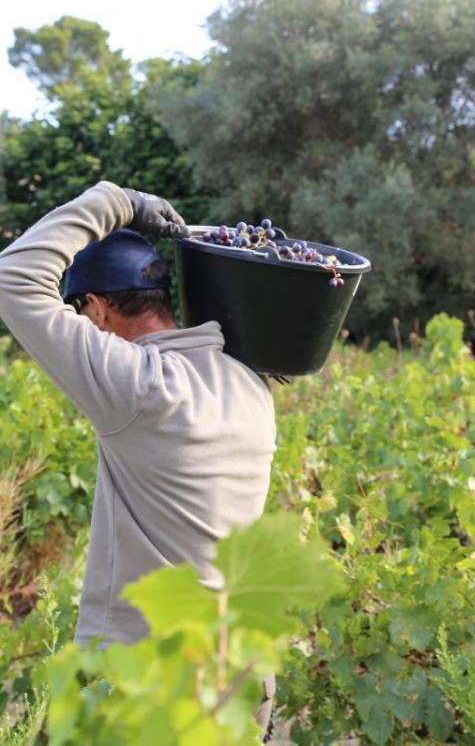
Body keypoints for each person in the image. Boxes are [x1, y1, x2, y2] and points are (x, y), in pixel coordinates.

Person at [0, 181, 277, 738]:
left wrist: (118, 201)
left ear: (98, 310)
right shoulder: (251, 385)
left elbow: (14, 277)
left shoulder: (139, 388)